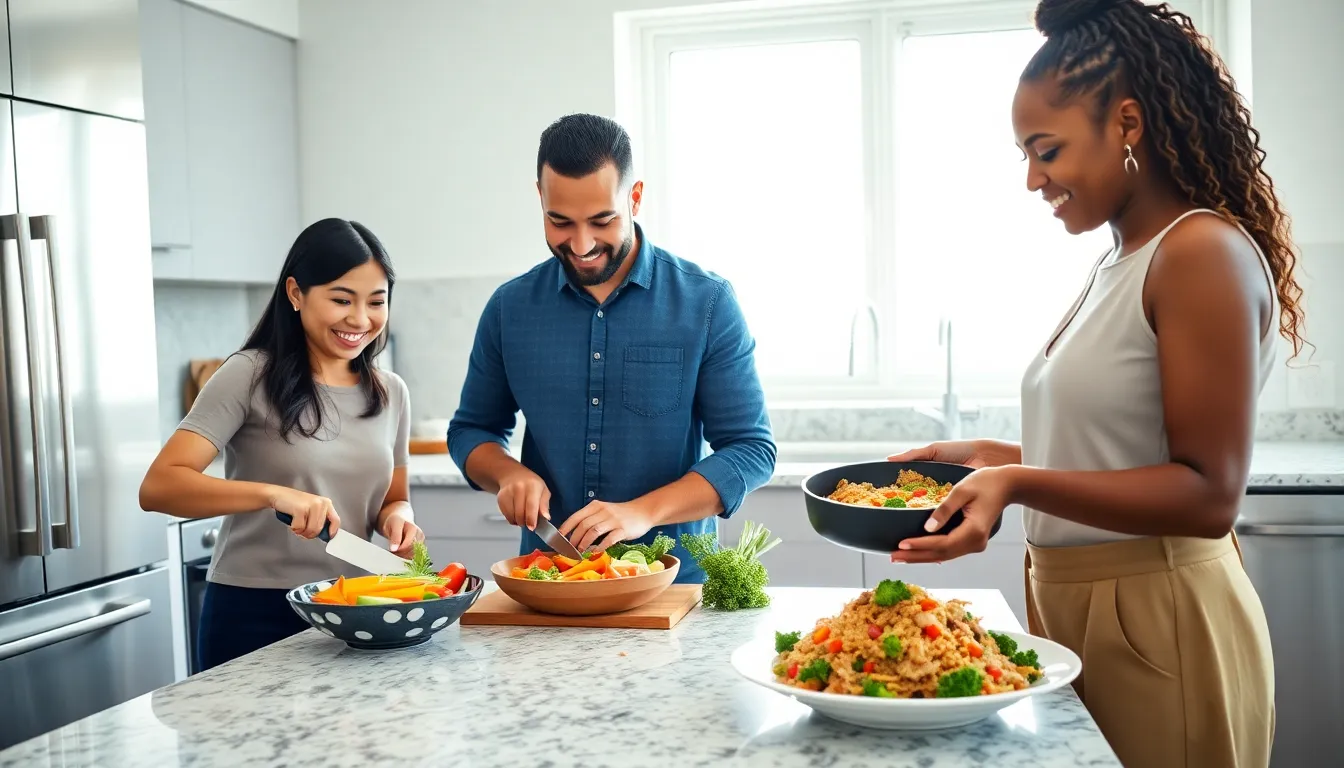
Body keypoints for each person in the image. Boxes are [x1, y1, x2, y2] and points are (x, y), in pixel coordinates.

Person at [888, 1, 1300, 765]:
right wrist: (995, 459)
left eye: (1047, 150)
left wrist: (1017, 482)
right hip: (1081, 605)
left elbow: (1209, 495)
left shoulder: (1199, 252)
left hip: (1160, 614)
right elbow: (1120, 447)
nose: (1032, 179)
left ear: (1129, 125)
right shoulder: (1120, 260)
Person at [447, 113, 776, 583]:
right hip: (549, 582)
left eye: (602, 221)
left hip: (675, 590)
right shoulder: (509, 308)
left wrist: (641, 512)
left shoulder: (706, 302)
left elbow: (750, 449)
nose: (581, 245)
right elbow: (471, 430)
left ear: (634, 198)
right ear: (539, 198)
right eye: (560, 222)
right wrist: (506, 474)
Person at [139, 218, 420, 671]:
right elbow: (158, 487)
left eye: (376, 302)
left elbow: (394, 497)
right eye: (341, 299)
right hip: (255, 611)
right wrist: (271, 493)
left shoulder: (390, 391)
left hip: (356, 609)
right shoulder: (248, 374)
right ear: (295, 293)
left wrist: (398, 519)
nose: (360, 319)